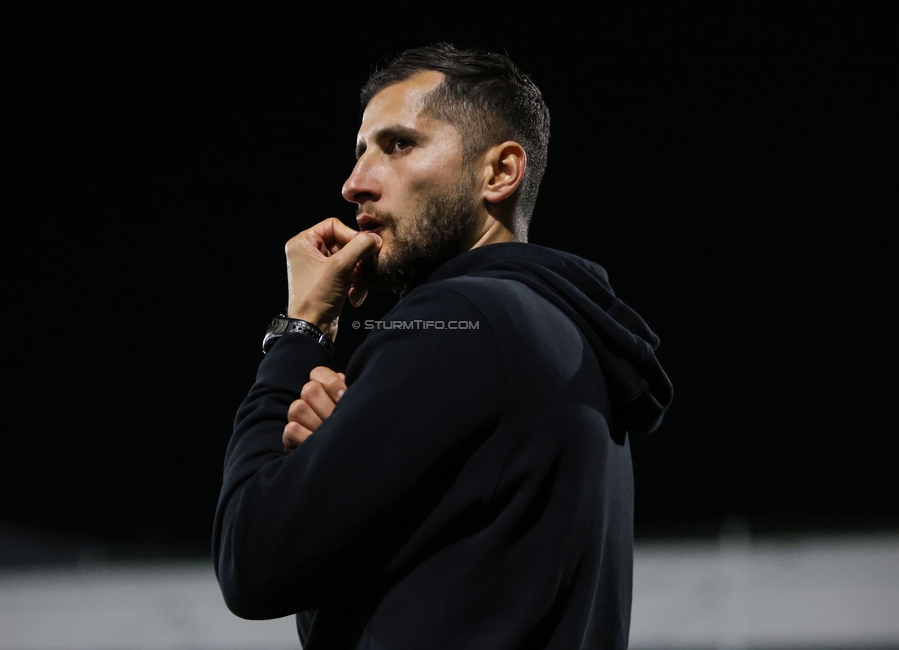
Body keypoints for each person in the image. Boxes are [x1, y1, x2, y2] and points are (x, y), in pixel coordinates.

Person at [213, 43, 672, 649]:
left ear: (501, 172)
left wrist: (300, 330)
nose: (354, 185)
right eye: (360, 153)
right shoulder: (563, 335)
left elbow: (253, 559)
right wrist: (327, 464)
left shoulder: (459, 320)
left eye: (398, 145)